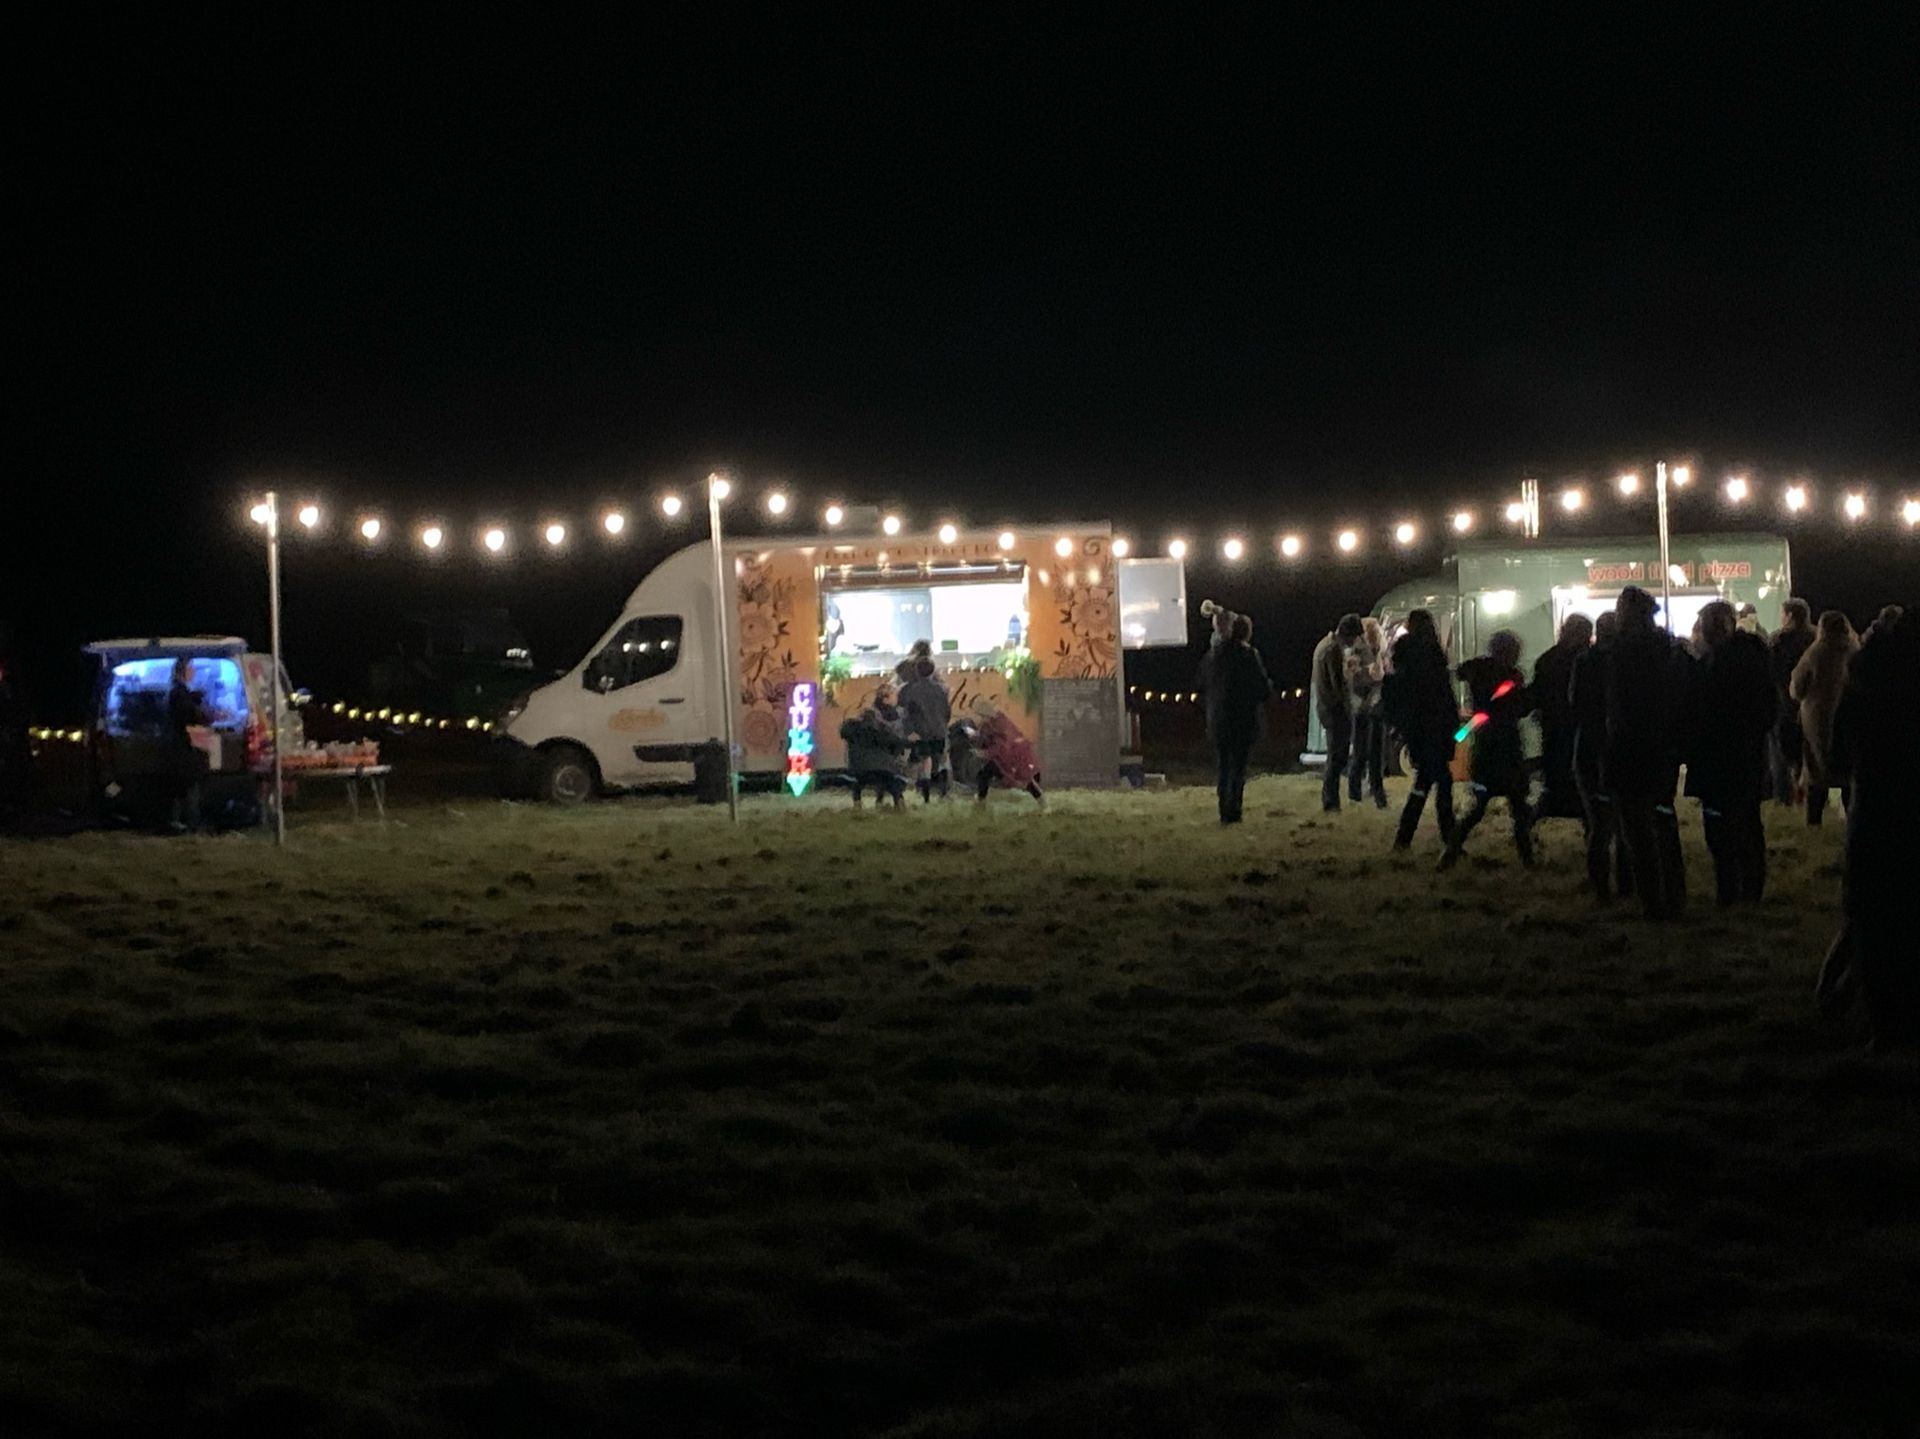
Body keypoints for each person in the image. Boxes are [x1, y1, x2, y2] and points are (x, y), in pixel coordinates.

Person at [1820, 606, 1918, 1051]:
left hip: (1877, 810)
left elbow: (1838, 758)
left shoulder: (1866, 681)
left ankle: (1881, 1023)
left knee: (1873, 918)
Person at [1603, 587, 1692, 920]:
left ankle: (1652, 903)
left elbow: (1617, 708)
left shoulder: (1622, 653)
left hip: (1630, 751)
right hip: (1663, 750)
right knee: (1664, 821)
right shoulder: (1671, 650)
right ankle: (1676, 896)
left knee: (1636, 829)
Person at [1683, 600, 1776, 904]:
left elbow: (1699, 710)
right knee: (1745, 823)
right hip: (1742, 756)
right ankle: (1747, 890)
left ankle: (1732, 891)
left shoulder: (1715, 664)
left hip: (1723, 758)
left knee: (1725, 826)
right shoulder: (1751, 659)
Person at [1440, 629, 1534, 869]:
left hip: (1484, 744)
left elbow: (1458, 672)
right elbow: (1521, 708)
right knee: (1518, 807)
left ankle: (1449, 853)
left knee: (1479, 806)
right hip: (1508, 747)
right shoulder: (1513, 677)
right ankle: (1528, 859)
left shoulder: (1478, 669)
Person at [1570, 611, 1632, 903]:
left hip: (1589, 749)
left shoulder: (1585, 661)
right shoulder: (1623, 662)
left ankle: (1601, 889)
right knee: (1624, 824)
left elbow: (1575, 702)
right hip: (1619, 749)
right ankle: (1626, 887)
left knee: (1599, 824)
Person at [1383, 608, 1457, 851]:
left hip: (1417, 729)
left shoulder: (1404, 657)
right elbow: (1442, 696)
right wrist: (1451, 726)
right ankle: (1446, 837)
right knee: (1439, 783)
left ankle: (1406, 839)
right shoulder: (1433, 657)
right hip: (1436, 727)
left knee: (1427, 782)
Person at [1198, 611, 1274, 823]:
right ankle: (1234, 810)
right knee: (1238, 767)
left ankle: (1224, 809)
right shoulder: (1248, 655)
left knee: (1223, 766)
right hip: (1241, 720)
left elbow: (1201, 682)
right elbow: (1261, 687)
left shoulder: (1214, 655)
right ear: (1247, 633)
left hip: (1218, 720)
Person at [1789, 609, 1859, 826]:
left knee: (1816, 772)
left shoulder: (1815, 653)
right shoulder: (1855, 650)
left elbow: (1797, 688)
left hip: (1817, 719)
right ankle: (1851, 820)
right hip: (1849, 719)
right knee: (1847, 773)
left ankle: (1814, 822)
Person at [1531, 612, 1593, 823]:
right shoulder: (1587, 659)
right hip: (1577, 732)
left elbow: (1536, 695)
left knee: (1555, 790)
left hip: (1556, 732)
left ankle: (1526, 835)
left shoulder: (1548, 660)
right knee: (1585, 794)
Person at [1312, 614, 1364, 812]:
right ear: (1347, 634)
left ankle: (1331, 800)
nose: (1354, 642)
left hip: (1327, 709)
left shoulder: (1324, 645)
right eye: (1354, 637)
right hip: (1335, 711)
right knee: (1337, 758)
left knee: (1335, 756)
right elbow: (1337, 685)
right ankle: (1330, 801)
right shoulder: (1333, 650)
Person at [1767, 599, 1815, 806]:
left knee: (1781, 754)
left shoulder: (1779, 639)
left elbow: (1772, 672)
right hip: (1811, 703)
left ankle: (1785, 797)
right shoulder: (1815, 637)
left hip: (1784, 702)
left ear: (1789, 616)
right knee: (1807, 752)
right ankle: (1805, 792)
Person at [838, 681, 909, 809]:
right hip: (883, 770)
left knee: (857, 783)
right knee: (891, 782)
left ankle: (857, 803)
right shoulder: (883, 731)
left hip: (859, 769)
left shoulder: (853, 730)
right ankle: (898, 801)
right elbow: (896, 743)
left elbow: (843, 733)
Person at [165, 656, 214, 833]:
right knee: (189, 786)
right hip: (184, 748)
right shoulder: (178, 693)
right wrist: (209, 715)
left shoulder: (179, 692)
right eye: (191, 669)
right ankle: (190, 823)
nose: (193, 672)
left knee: (183, 787)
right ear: (183, 671)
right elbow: (191, 715)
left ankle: (180, 821)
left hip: (183, 748)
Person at [967, 697, 1044, 806]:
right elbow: (988, 737)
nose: (976, 717)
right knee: (984, 774)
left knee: (1025, 781)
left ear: (983, 714)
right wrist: (975, 736)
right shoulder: (991, 722)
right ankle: (980, 800)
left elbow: (1000, 746)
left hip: (1011, 759)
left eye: (977, 715)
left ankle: (1042, 802)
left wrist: (983, 753)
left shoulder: (999, 724)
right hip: (1003, 759)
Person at [1345, 617, 1388, 809]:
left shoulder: (1380, 650)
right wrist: (1367, 673)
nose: (1377, 634)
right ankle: (1354, 795)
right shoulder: (1356, 650)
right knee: (1362, 752)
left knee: (1377, 753)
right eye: (1374, 631)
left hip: (1377, 706)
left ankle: (1378, 793)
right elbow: (1352, 678)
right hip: (1363, 707)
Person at [899, 657, 953, 802]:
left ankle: (926, 796)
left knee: (925, 763)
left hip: (922, 731)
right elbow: (947, 711)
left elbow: (908, 713)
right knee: (942, 759)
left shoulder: (912, 691)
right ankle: (944, 792)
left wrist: (910, 731)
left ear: (917, 671)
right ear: (932, 671)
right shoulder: (940, 689)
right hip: (939, 729)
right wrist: (942, 724)